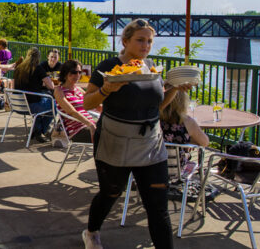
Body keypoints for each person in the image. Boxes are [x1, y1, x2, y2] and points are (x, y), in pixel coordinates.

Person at [82, 19, 192, 249]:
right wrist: (106, 89)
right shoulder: (110, 66)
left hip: (151, 144)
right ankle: (91, 232)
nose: (146, 45)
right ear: (125, 41)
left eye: (149, 41)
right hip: (116, 142)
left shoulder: (150, 66)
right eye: (140, 40)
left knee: (157, 207)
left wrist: (173, 89)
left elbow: (157, 106)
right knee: (110, 193)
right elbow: (88, 103)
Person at [13, 47, 55, 143]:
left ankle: (37, 129)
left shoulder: (19, 68)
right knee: (54, 105)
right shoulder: (38, 68)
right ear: (38, 57)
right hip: (31, 106)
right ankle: (41, 130)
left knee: (40, 103)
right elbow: (51, 86)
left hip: (18, 105)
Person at [54, 60, 96, 145]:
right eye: (74, 72)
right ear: (65, 73)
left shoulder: (79, 89)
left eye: (80, 72)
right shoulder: (59, 90)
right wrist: (90, 124)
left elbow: (93, 103)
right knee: (108, 136)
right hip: (76, 130)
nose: (77, 75)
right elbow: (71, 111)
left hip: (90, 126)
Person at [160, 90, 209, 164]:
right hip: (178, 169)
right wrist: (187, 141)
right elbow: (205, 142)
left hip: (155, 168)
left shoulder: (154, 119)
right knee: (190, 161)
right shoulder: (187, 122)